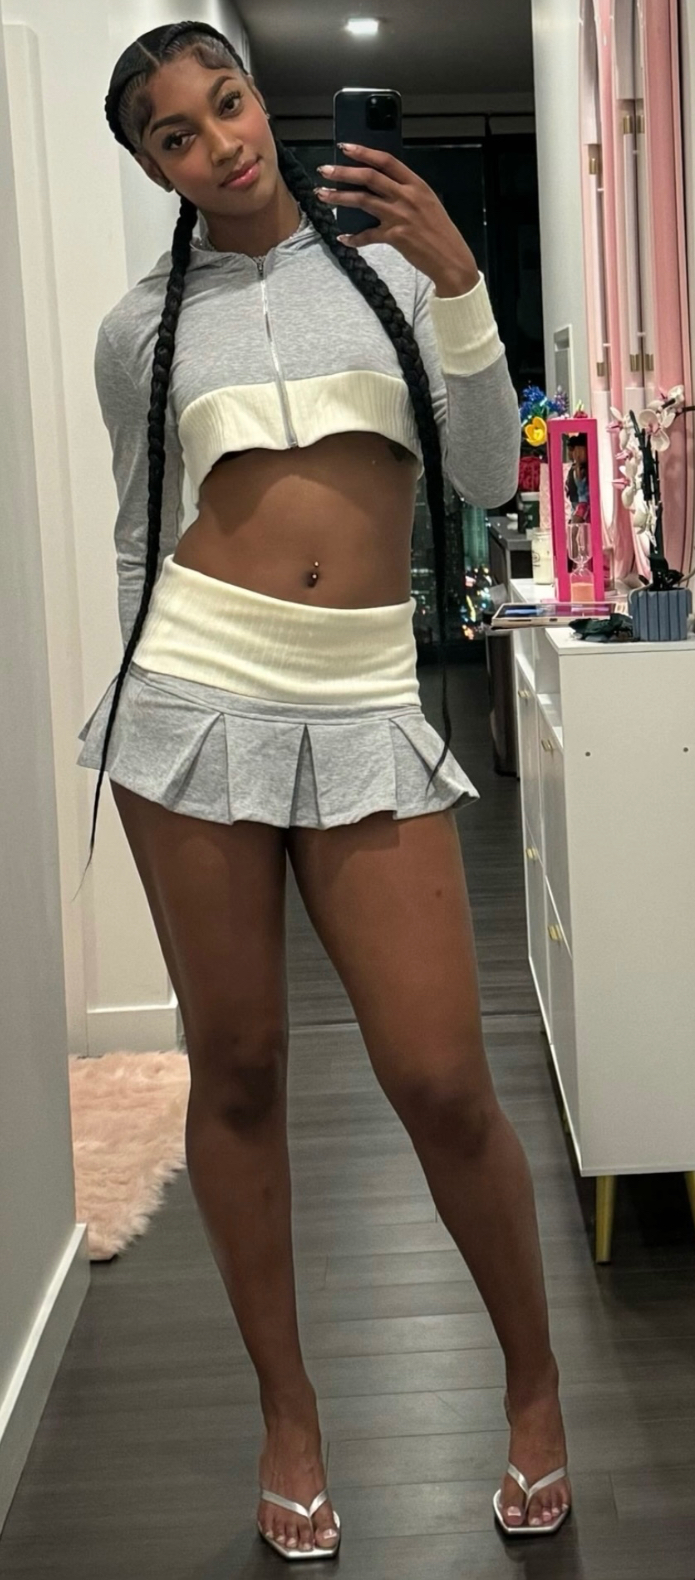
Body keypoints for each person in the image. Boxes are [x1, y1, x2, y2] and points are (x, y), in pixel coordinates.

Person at [76, 20, 572, 1557]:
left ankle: (536, 1391)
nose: (218, 143)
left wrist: (464, 282)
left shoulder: (394, 278)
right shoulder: (139, 329)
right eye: (174, 135)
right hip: (193, 699)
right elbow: (137, 535)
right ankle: (287, 1417)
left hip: (361, 697)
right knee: (234, 1074)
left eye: (225, 104)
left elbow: (488, 477)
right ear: (153, 166)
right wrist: (141, 718)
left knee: (441, 1079)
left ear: (258, 102)